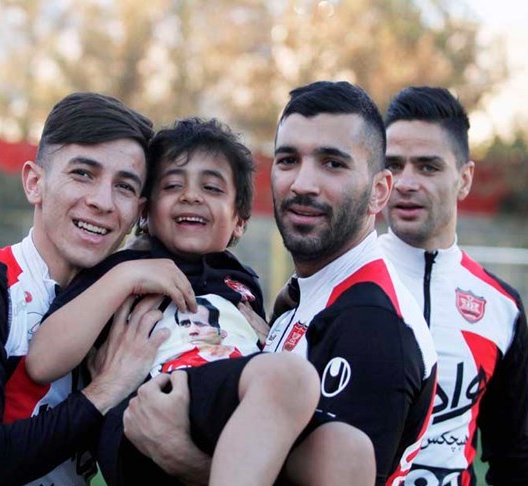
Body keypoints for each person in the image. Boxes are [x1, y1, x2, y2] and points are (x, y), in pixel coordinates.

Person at [119, 81, 439, 486]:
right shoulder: (306, 296)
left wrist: (181, 456)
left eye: (332, 163)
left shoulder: (372, 325)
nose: (302, 183)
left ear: (379, 192)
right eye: (288, 160)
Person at [26, 118, 361, 486]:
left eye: (212, 187)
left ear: (239, 221)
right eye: (172, 185)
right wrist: (123, 280)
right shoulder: (121, 269)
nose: (191, 196)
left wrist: (274, 331)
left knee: (348, 448)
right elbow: (42, 361)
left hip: (229, 410)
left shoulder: (242, 281)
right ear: (145, 213)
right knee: (290, 376)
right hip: (147, 411)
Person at [0, 92, 199, 486]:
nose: (102, 201)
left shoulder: (134, 311)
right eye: (83, 173)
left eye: (124, 186)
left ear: (139, 211)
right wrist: (106, 389)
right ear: (35, 183)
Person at [381, 86, 528, 485]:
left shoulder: (501, 307)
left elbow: (514, 456)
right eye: (394, 165)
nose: (405, 182)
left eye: (428, 167)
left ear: (464, 179)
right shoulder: (336, 280)